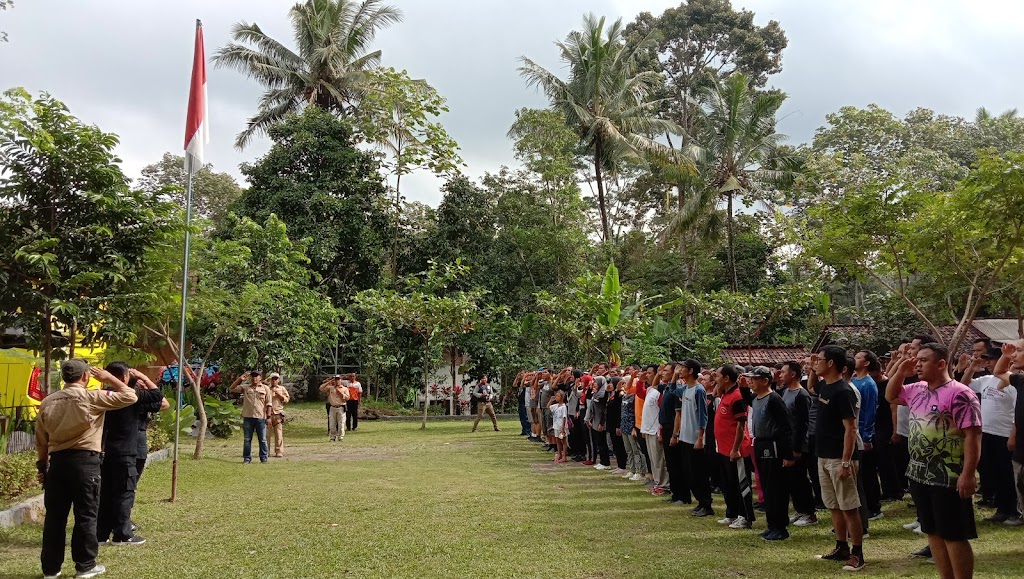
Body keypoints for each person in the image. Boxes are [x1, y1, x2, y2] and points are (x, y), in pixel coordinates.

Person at [35, 359, 138, 579]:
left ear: (64, 377)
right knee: (86, 515)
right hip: (85, 463)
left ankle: (51, 569)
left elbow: (41, 440)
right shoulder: (91, 397)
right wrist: (109, 378)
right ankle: (85, 565)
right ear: (85, 377)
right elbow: (130, 396)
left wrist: (42, 466)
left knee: (55, 518)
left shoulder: (48, 401)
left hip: (57, 464)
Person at [887, 342, 981, 579]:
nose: (917, 364)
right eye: (916, 360)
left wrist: (968, 474)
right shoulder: (916, 388)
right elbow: (890, 395)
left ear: (941, 364)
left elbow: (973, 435)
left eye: (923, 360)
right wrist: (900, 370)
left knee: (953, 534)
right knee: (933, 531)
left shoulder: (961, 393)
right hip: (919, 474)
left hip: (948, 475)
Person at [810, 346, 865, 572]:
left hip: (839, 458)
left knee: (849, 507)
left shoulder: (843, 391)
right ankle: (841, 546)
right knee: (834, 506)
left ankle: (857, 554)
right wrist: (813, 366)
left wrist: (845, 462)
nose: (816, 363)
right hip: (823, 456)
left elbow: (850, 429)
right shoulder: (825, 385)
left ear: (831, 363)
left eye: (820, 360)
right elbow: (811, 386)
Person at [96, 362, 164, 546]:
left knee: (107, 493)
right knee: (125, 493)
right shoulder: (130, 396)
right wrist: (144, 378)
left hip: (107, 451)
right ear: (124, 377)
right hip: (126, 452)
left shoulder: (104, 396)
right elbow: (158, 396)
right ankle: (122, 535)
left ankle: (101, 534)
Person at [963, 348, 1019, 523]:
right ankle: (1000, 507)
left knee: (1007, 474)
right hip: (987, 432)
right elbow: (964, 385)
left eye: (991, 359)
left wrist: (1012, 435)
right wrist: (971, 368)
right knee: (991, 470)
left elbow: (1018, 411)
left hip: (1004, 434)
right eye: (986, 359)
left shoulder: (1012, 382)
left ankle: (1012, 510)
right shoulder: (986, 380)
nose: (987, 362)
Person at [747, 366, 795, 541]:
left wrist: (788, 455)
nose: (750, 381)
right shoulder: (755, 398)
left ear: (765, 381)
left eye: (754, 378)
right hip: (760, 443)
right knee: (766, 486)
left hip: (773, 446)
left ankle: (781, 527)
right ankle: (771, 525)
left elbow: (785, 428)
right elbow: (744, 397)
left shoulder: (774, 399)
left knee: (776, 487)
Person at [714, 364, 755, 530]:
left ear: (726, 378)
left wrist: (736, 448)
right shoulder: (726, 394)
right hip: (724, 448)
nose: (715, 378)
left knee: (741, 484)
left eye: (717, 376)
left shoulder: (737, 396)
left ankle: (745, 516)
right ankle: (731, 513)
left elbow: (740, 425)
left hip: (736, 449)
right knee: (728, 483)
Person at [779, 360, 817, 526]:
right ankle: (799, 509)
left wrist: (797, 447)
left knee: (801, 479)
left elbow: (803, 424)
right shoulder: (785, 392)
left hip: (799, 444)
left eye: (783, 372)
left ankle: (809, 513)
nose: (780, 375)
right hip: (787, 441)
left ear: (792, 374)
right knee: (792, 479)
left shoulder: (802, 395)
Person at [677, 359, 713, 517]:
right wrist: (674, 377)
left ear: (691, 371)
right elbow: (671, 390)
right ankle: (700, 502)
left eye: (683, 368)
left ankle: (706, 504)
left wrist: (700, 437)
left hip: (695, 438)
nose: (680, 370)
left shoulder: (699, 390)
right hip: (685, 437)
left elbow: (702, 415)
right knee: (689, 472)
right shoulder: (685, 388)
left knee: (699, 473)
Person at [851, 350, 882, 520]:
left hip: (863, 433)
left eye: (858, 357)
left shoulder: (869, 384)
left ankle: (874, 507)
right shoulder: (854, 380)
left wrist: (867, 436)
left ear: (867, 363)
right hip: (854, 431)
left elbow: (870, 411)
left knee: (868, 473)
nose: (854, 359)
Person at [640, 365, 667, 493]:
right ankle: (657, 483)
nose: (647, 375)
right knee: (653, 460)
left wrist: (660, 431)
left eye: (650, 373)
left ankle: (664, 485)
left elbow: (662, 412)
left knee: (659, 460)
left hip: (656, 430)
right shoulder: (650, 389)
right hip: (648, 430)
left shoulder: (659, 392)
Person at [319, 374, 349, 442]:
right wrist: (329, 382)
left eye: (338, 379)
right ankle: (332, 437)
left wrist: (341, 393)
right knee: (332, 423)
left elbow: (347, 398)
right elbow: (321, 388)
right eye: (335, 379)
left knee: (341, 423)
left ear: (341, 380)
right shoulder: (330, 388)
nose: (337, 381)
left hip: (341, 407)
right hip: (332, 407)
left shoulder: (344, 388)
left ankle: (340, 437)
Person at [268, 372, 290, 458]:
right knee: (266, 434)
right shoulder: (266, 388)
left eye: (276, 379)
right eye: (273, 379)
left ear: (278, 380)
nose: (274, 380)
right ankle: (266, 451)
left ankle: (279, 451)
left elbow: (287, 399)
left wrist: (280, 395)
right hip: (268, 414)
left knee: (278, 434)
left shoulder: (282, 388)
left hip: (278, 413)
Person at [552, 390, 569, 462]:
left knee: (563, 441)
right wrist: (551, 400)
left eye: (558, 396)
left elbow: (564, 417)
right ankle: (559, 454)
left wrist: (563, 428)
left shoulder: (563, 407)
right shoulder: (555, 406)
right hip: (556, 425)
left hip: (561, 426)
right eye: (556, 396)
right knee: (557, 441)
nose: (556, 397)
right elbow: (548, 407)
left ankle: (564, 456)